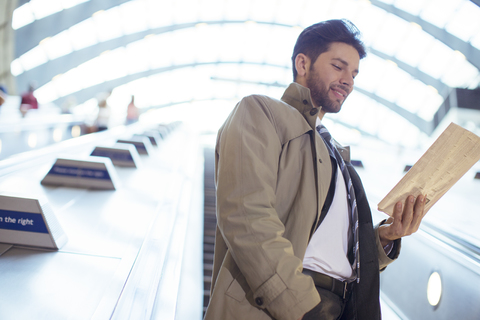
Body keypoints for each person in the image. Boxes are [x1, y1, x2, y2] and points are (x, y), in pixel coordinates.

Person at [204, 19, 426, 320]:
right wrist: (302, 307)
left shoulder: (333, 151)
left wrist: (385, 237)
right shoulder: (260, 112)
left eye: (354, 73)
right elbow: (246, 215)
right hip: (282, 306)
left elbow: (333, 248)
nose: (348, 80)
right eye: (338, 66)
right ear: (302, 63)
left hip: (343, 306)